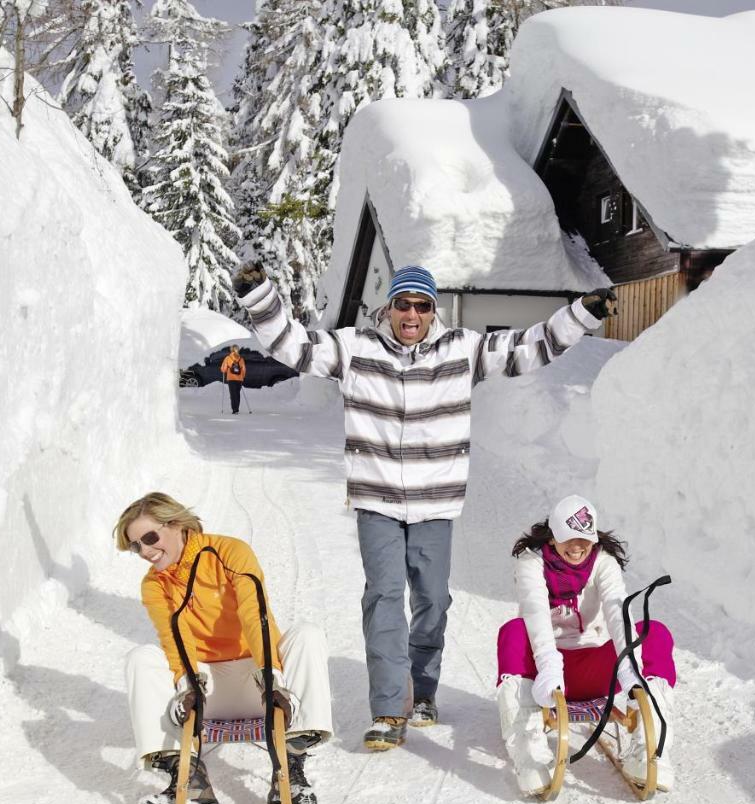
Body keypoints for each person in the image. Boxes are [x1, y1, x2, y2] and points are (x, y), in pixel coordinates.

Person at [232, 262, 617, 750]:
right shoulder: (357, 349)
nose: (411, 314)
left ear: (432, 310)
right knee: (385, 598)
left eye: (421, 305)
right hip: (377, 501)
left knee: (433, 601)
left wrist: (581, 315)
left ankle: (425, 688)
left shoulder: (464, 349)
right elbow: (293, 345)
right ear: (388, 307)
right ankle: (389, 710)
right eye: (403, 304)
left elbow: (528, 346)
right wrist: (258, 295)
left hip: (436, 502)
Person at [115, 492, 333, 804]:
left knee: (307, 634)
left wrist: (271, 677)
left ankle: (290, 762)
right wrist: (188, 685)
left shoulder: (229, 552)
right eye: (136, 546)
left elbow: (252, 612)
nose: (145, 551)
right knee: (141, 657)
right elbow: (175, 638)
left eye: (149, 538)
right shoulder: (154, 584)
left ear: (176, 524)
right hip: (208, 688)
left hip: (257, 682)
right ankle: (188, 782)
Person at [495, 495, 677, 796]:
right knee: (514, 632)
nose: (578, 547)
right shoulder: (532, 563)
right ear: (553, 537)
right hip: (549, 676)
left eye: (585, 538)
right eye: (569, 538)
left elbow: (619, 612)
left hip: (598, 669)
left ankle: (649, 748)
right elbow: (536, 614)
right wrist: (549, 668)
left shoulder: (603, 562)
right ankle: (530, 753)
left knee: (655, 633)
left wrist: (630, 668)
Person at [219, 345, 247, 414]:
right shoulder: (241, 359)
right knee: (237, 394)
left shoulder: (228, 358)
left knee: (233, 394)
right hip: (239, 379)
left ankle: (234, 409)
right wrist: (242, 377)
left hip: (231, 378)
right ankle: (236, 408)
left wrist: (223, 370)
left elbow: (223, 369)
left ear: (231, 350)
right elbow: (243, 369)